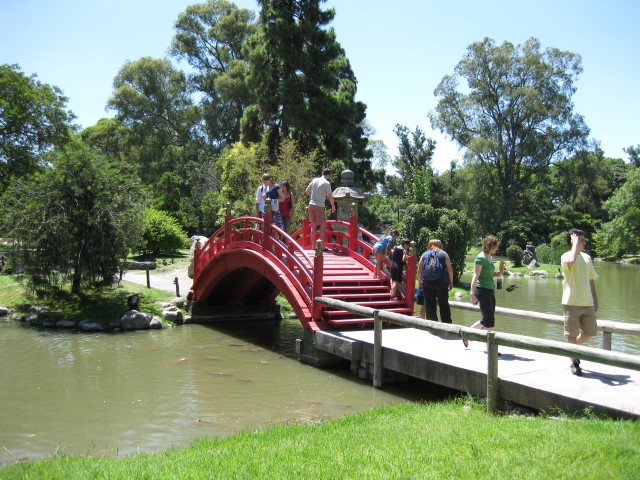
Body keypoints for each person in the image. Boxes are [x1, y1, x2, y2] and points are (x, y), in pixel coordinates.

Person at [561, 228, 599, 376]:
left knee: (591, 331)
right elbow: (571, 261)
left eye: (583, 239)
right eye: (581, 239)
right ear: (573, 240)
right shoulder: (566, 256)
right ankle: (574, 361)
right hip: (571, 301)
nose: (584, 242)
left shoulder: (587, 258)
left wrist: (595, 299)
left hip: (587, 301)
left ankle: (572, 349)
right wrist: (575, 244)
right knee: (571, 333)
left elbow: (591, 280)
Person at [464, 235, 505, 349]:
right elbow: (475, 275)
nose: (497, 249)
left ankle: (467, 334)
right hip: (482, 290)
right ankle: (489, 348)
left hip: (490, 290)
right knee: (489, 320)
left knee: (487, 319)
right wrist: (472, 293)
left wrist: (498, 273)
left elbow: (488, 274)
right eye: (495, 247)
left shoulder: (489, 258)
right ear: (490, 246)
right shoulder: (480, 258)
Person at [418, 239, 454, 323]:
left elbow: (419, 270)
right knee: (444, 304)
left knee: (430, 306)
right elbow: (450, 269)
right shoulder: (443, 254)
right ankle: (447, 325)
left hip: (427, 283)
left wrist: (420, 282)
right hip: (441, 283)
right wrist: (451, 282)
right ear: (439, 245)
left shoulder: (424, 254)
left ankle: (432, 327)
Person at [305, 168, 336, 250]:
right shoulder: (326, 183)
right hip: (319, 205)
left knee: (313, 225)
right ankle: (322, 246)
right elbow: (330, 196)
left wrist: (314, 195)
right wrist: (333, 206)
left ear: (322, 173)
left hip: (311, 204)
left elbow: (307, 191)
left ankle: (313, 246)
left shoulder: (315, 180)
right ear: (328, 175)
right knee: (323, 225)